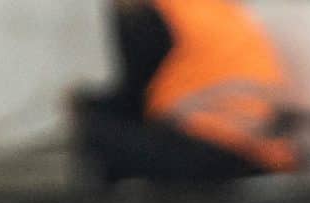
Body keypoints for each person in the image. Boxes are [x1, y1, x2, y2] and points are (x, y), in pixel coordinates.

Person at [76, 0, 297, 187]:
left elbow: (133, 97)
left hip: (215, 151)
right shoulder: (205, 8)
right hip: (265, 147)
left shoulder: (148, 14)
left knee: (96, 130)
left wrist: (82, 109)